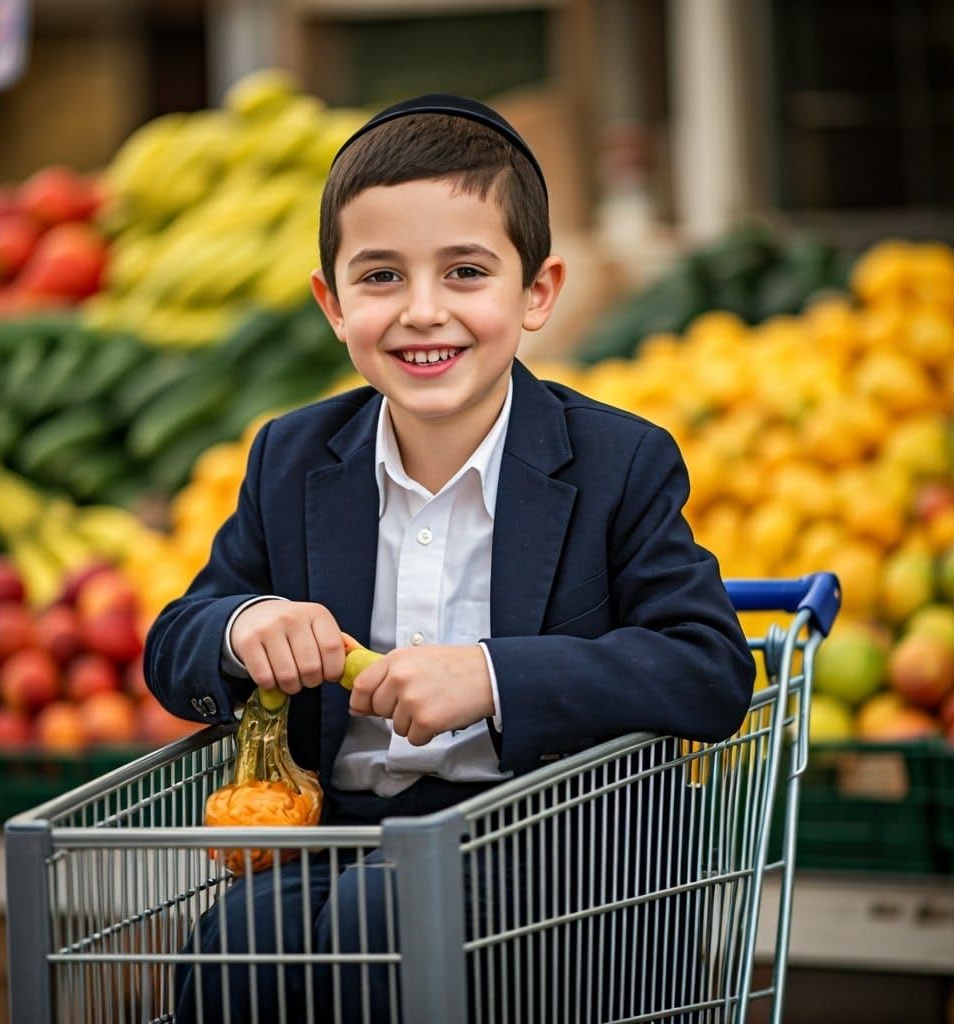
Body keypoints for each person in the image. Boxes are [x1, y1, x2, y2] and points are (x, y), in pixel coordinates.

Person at [145, 93, 756, 1024]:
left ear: (537, 292)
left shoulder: (617, 462)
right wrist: (244, 626)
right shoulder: (292, 459)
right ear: (331, 302)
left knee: (377, 918)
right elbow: (177, 640)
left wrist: (491, 676)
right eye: (381, 277)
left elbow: (709, 670)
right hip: (337, 843)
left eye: (466, 272)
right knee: (234, 953)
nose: (423, 313)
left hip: (555, 867)